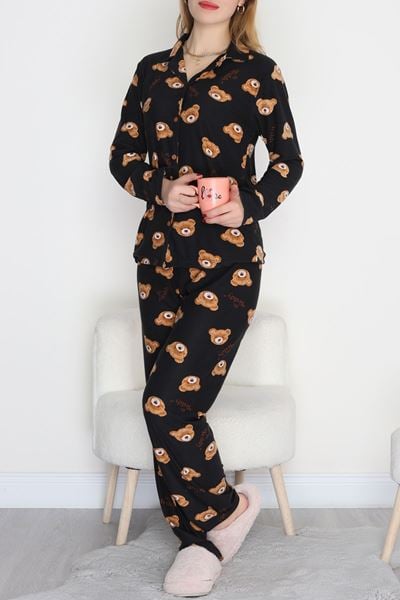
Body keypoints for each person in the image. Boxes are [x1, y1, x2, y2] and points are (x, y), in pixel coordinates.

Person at [109, 0, 304, 595]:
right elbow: (122, 156)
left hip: (229, 265)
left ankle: (218, 514)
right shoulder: (151, 70)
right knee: (163, 408)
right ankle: (198, 538)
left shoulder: (259, 73)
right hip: (159, 259)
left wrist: (249, 205)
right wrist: (159, 187)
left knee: (166, 402)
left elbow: (288, 161)